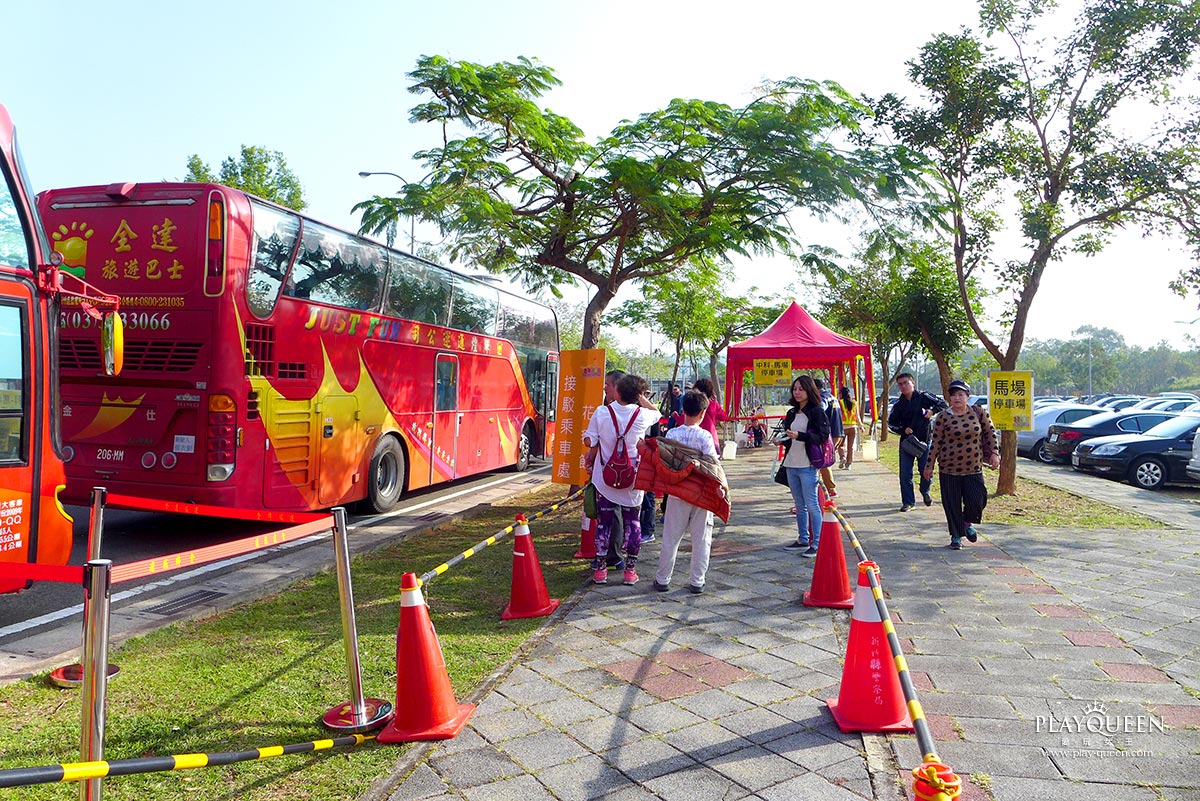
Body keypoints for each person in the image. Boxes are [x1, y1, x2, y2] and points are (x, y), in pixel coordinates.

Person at [583, 374, 661, 585]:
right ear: (638, 395)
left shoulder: (602, 412)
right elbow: (658, 413)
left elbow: (590, 441)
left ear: (617, 391)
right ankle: (630, 571)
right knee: (633, 524)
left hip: (604, 480)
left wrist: (591, 450)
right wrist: (641, 397)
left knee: (603, 525)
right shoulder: (642, 415)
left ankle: (600, 571)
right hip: (633, 480)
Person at [653, 390, 720, 593]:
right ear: (703, 413)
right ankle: (697, 581)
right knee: (702, 539)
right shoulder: (705, 436)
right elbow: (712, 465)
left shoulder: (672, 434)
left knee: (671, 537)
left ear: (683, 410)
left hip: (677, 491)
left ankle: (663, 579)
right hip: (700, 493)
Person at [923, 380, 1000, 549]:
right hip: (949, 468)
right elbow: (935, 443)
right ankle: (956, 536)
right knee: (952, 504)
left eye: (960, 394)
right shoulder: (943, 417)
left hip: (973, 467)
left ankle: (967, 522)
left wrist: (995, 453)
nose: (957, 398)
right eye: (953, 395)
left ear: (967, 396)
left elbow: (990, 433)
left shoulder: (978, 412)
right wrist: (929, 466)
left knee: (977, 500)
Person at [774, 375, 829, 558]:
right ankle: (803, 539)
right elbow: (790, 438)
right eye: (795, 389)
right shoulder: (792, 412)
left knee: (812, 504)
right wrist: (782, 440)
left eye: (801, 389)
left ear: (809, 390)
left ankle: (817, 543)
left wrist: (801, 436)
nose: (797, 392)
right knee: (799, 504)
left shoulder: (816, 411)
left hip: (808, 464)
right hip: (791, 463)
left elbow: (822, 436)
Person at [887, 372, 947, 512]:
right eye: (900, 384)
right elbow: (891, 423)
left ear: (912, 383)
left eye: (906, 382)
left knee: (926, 471)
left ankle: (925, 491)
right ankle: (908, 502)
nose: (903, 386)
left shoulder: (924, 397)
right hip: (907, 443)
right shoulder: (898, 405)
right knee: (905, 474)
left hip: (925, 442)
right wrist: (903, 430)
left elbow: (943, 404)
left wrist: (932, 411)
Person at [814, 379, 842, 498]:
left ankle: (830, 489)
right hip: (837, 432)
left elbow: (820, 408)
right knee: (823, 460)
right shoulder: (832, 397)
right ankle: (821, 487)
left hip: (828, 435)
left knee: (823, 461)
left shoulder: (822, 398)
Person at [692, 378, 729, 453]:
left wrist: (676, 416)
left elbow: (685, 420)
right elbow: (723, 416)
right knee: (713, 458)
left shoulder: (692, 403)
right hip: (711, 436)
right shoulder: (713, 404)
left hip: (695, 438)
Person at [838, 386, 860, 469]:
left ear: (841, 394)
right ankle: (849, 464)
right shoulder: (854, 403)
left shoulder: (839, 403)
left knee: (840, 445)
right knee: (850, 447)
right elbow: (857, 416)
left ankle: (842, 457)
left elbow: (838, 416)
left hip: (842, 427)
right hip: (853, 427)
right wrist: (861, 426)